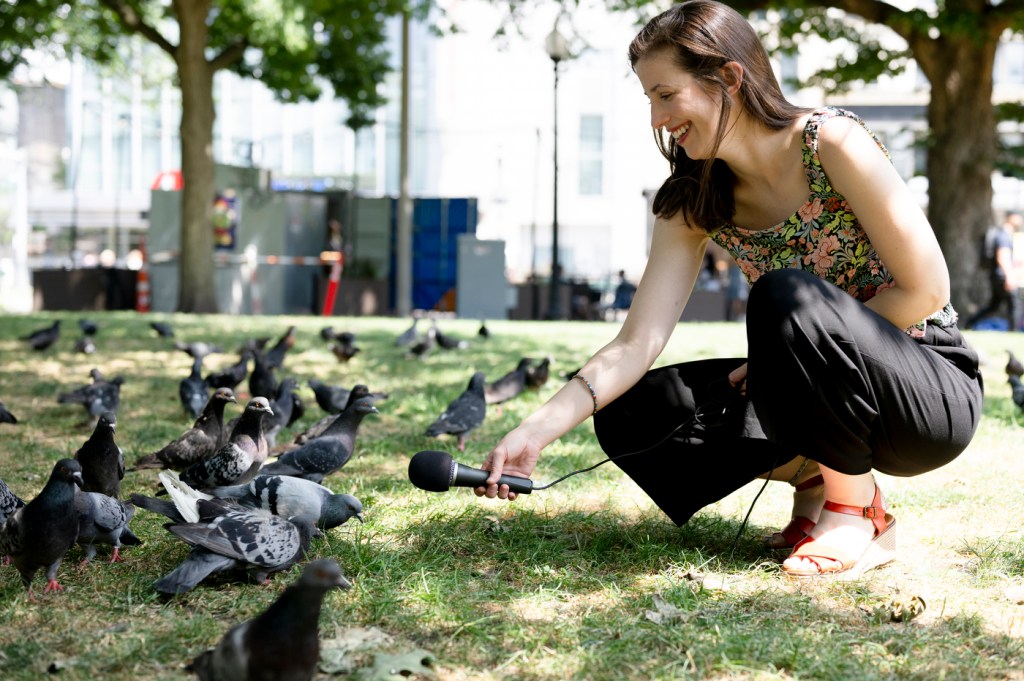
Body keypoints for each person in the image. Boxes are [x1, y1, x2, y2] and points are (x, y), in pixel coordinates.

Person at [475, 0, 983, 579]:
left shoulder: (831, 143)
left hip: (926, 386)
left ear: (729, 78)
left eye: (667, 95)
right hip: (815, 384)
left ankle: (856, 510)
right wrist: (535, 430)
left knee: (787, 297)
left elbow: (926, 289)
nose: (657, 119)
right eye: (649, 100)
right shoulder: (693, 201)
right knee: (634, 415)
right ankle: (817, 478)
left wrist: (794, 350)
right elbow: (634, 345)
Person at [966, 211, 1021, 332]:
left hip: (996, 275)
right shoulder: (1004, 235)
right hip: (1002, 275)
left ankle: (970, 322)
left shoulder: (1002, 234)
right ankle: (1013, 330)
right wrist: (1009, 277)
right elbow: (1002, 256)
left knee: (994, 306)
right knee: (1014, 304)